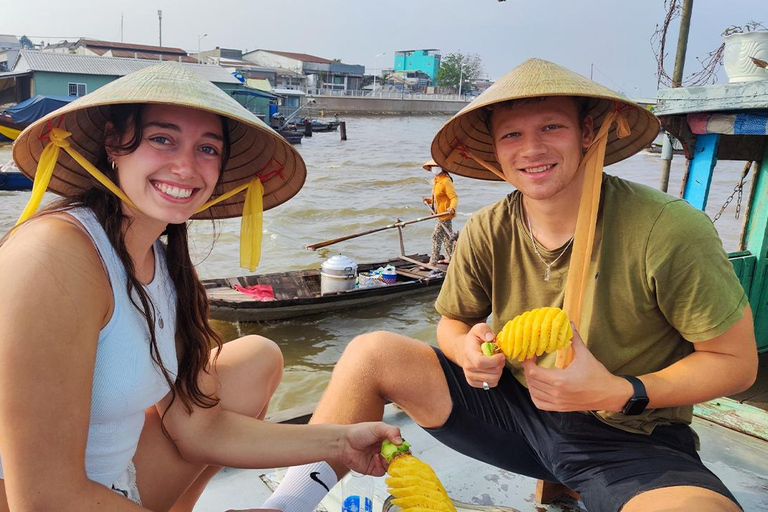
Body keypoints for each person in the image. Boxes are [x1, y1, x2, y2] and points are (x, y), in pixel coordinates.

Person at [263, 59, 758, 512]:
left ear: (587, 132)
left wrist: (615, 391)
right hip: (514, 413)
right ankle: (287, 503)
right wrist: (467, 352)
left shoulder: (667, 229)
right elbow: (453, 323)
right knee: (372, 352)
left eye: (551, 127)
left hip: (630, 434)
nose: (532, 149)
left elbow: (735, 363)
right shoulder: (487, 227)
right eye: (512, 135)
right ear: (496, 152)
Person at [0, 62, 401, 512]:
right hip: (42, 499)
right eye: (162, 139)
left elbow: (200, 429)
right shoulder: (54, 255)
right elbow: (44, 499)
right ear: (114, 142)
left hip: (116, 482)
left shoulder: (164, 262)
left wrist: (342, 443)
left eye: (207, 148)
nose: (186, 166)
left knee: (255, 359)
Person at [421, 159, 458, 265]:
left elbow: (453, 197)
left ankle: (433, 262)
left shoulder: (446, 181)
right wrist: (428, 200)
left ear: (441, 167)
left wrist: (452, 208)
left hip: (445, 214)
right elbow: (438, 198)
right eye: (432, 167)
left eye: (435, 166)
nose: (433, 168)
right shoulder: (437, 181)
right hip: (439, 214)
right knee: (447, 236)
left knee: (436, 236)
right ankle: (450, 258)